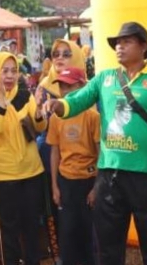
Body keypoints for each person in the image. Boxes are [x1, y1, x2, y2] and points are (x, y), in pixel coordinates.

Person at [44, 22, 147, 265]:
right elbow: (78, 99)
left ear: (143, 46)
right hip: (109, 175)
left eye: (126, 41)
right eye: (117, 42)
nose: (119, 46)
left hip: (145, 175)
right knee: (108, 247)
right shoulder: (106, 78)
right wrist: (58, 105)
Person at [0, 52, 46, 265]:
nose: (10, 76)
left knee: (32, 228)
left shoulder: (25, 95)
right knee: (8, 231)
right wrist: (0, 103)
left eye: (14, 71)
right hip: (4, 176)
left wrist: (39, 115)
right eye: (4, 71)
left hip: (32, 171)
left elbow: (40, 127)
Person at [46, 67, 98, 265]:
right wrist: (55, 186)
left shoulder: (92, 116)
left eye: (70, 85)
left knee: (88, 234)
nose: (65, 90)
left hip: (88, 180)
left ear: (82, 86)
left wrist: (96, 187)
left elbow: (101, 152)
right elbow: (54, 151)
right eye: (61, 85)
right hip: (66, 181)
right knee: (67, 233)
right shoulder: (56, 116)